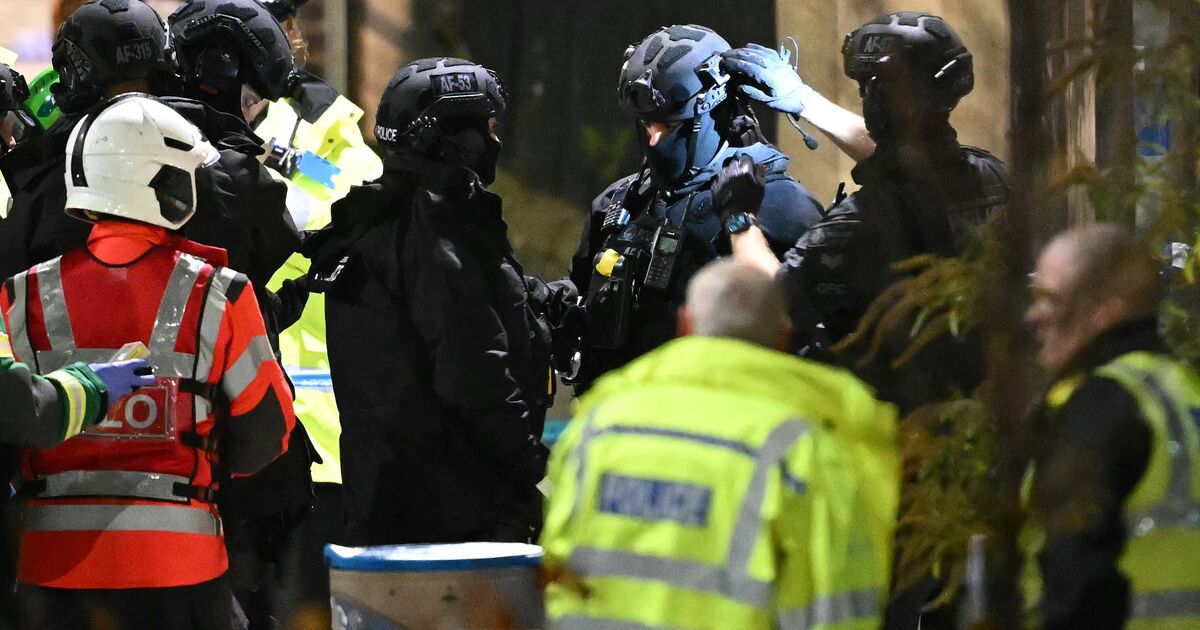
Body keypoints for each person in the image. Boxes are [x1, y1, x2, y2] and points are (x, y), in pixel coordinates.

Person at [1, 95, 295, 630]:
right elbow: (268, 432)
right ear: (163, 184)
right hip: (183, 569)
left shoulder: (21, 295)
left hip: (48, 569)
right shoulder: (220, 292)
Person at [541, 259, 898, 629]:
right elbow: (835, 611)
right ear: (784, 337)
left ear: (685, 324)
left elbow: (557, 575)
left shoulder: (598, 427)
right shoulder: (809, 450)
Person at [306, 57, 552, 545]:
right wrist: (532, 469)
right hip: (454, 516)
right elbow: (474, 368)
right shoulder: (437, 232)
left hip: (384, 504)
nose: (494, 140)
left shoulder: (370, 218)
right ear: (453, 139)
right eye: (487, 126)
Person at [725, 12, 1010, 412]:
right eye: (866, 85)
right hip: (973, 416)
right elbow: (906, 160)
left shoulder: (859, 222)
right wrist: (805, 101)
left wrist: (739, 219)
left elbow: (765, 301)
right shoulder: (992, 176)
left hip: (889, 426)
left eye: (884, 87)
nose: (871, 97)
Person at [565, 24, 824, 392]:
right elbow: (581, 294)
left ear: (717, 114)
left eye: (669, 126)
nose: (653, 140)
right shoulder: (621, 202)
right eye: (646, 125)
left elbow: (805, 335)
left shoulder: (780, 205)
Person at [1022, 223, 1200, 629]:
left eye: (1050, 299)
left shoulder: (1103, 405)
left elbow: (1077, 586)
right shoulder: (1184, 393)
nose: (1034, 316)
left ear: (1104, 313)